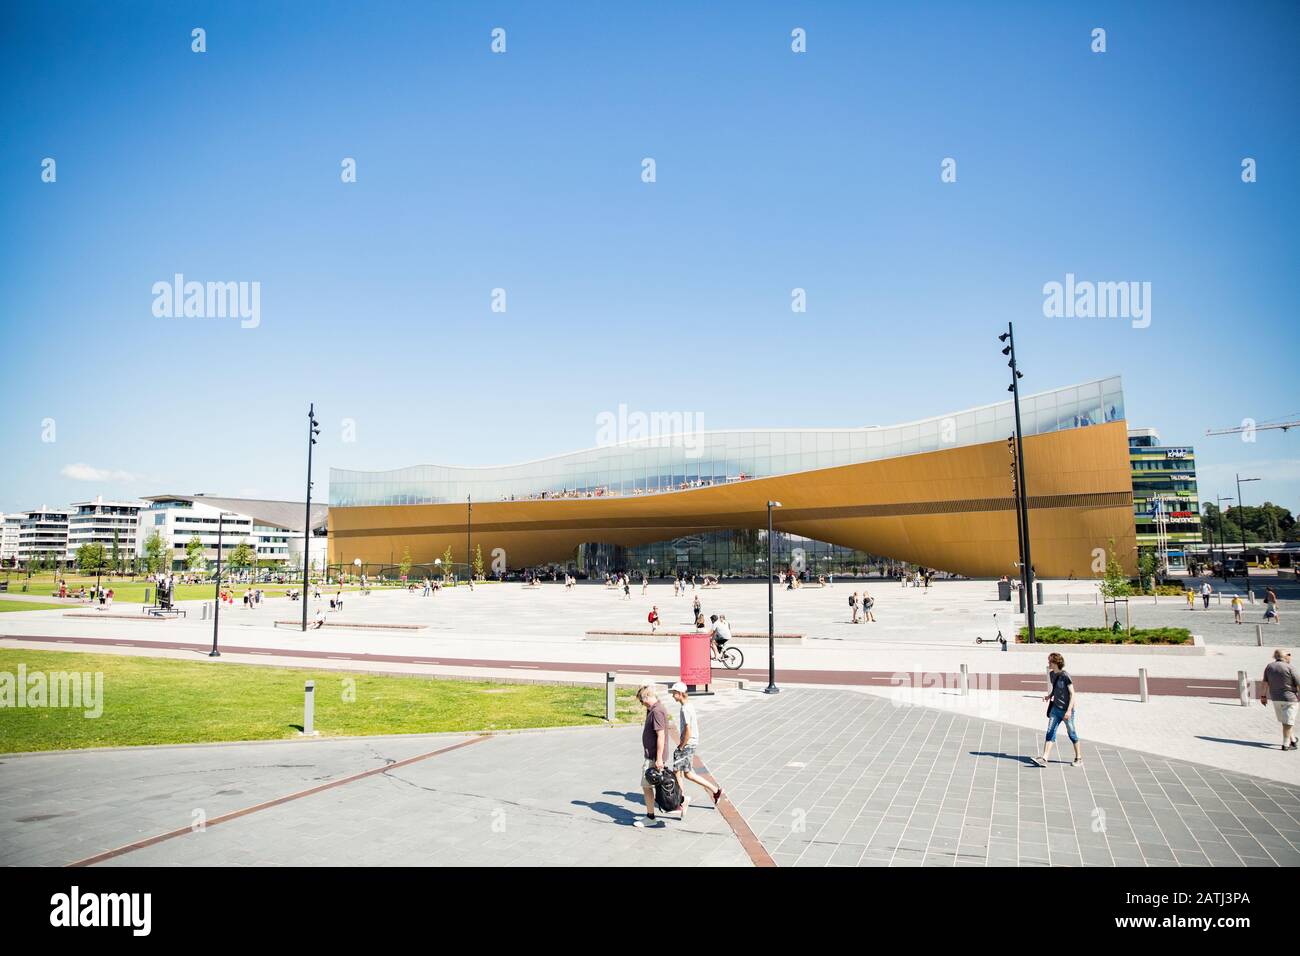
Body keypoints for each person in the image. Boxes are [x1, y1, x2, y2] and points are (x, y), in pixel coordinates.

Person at [668, 682, 724, 816]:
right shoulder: (689, 706)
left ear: (680, 694)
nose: (672, 696)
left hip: (687, 744)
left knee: (677, 771)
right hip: (691, 743)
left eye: (674, 693)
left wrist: (682, 745)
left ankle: (681, 800)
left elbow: (688, 729)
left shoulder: (685, 709)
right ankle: (715, 790)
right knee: (687, 773)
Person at [1032, 652, 1082, 767]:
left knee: (1072, 733)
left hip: (1066, 711)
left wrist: (1069, 711)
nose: (1048, 663)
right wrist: (1049, 696)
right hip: (1055, 709)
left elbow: (1072, 694)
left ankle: (1078, 758)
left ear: (1055, 663)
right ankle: (1044, 758)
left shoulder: (1066, 676)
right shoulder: (1052, 674)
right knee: (1050, 732)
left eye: (1050, 661)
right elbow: (1055, 688)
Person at [634, 685, 671, 828]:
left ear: (646, 698)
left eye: (641, 701)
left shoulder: (657, 712)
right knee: (650, 785)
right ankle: (677, 803)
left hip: (654, 758)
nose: (641, 704)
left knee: (646, 785)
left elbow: (660, 736)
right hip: (653, 756)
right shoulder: (655, 709)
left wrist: (659, 758)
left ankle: (650, 817)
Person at [1260, 649, 1299, 751]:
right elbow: (1298, 683)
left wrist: (1263, 696)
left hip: (1276, 698)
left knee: (1285, 721)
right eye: (1289, 654)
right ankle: (1286, 744)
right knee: (1288, 722)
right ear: (1285, 656)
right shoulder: (1289, 667)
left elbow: (1265, 683)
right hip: (1290, 698)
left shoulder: (1269, 667)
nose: (1290, 656)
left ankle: (1293, 740)